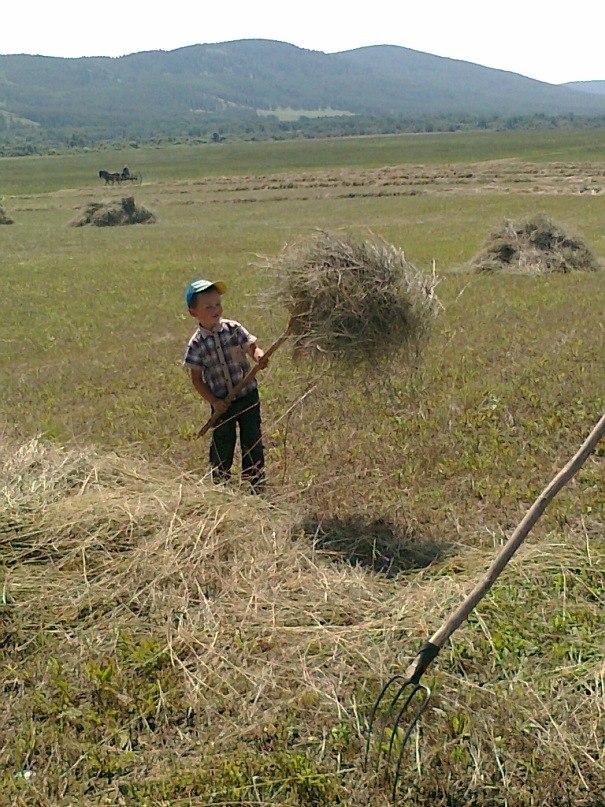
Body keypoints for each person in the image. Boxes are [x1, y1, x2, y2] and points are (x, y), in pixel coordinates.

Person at [183, 279, 268, 492]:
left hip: (247, 395)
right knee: (223, 440)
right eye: (208, 306)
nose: (215, 309)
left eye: (217, 304)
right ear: (194, 312)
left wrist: (259, 357)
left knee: (252, 437)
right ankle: (220, 482)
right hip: (222, 403)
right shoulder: (197, 344)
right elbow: (196, 379)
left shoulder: (233, 328)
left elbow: (252, 347)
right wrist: (214, 401)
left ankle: (254, 479)